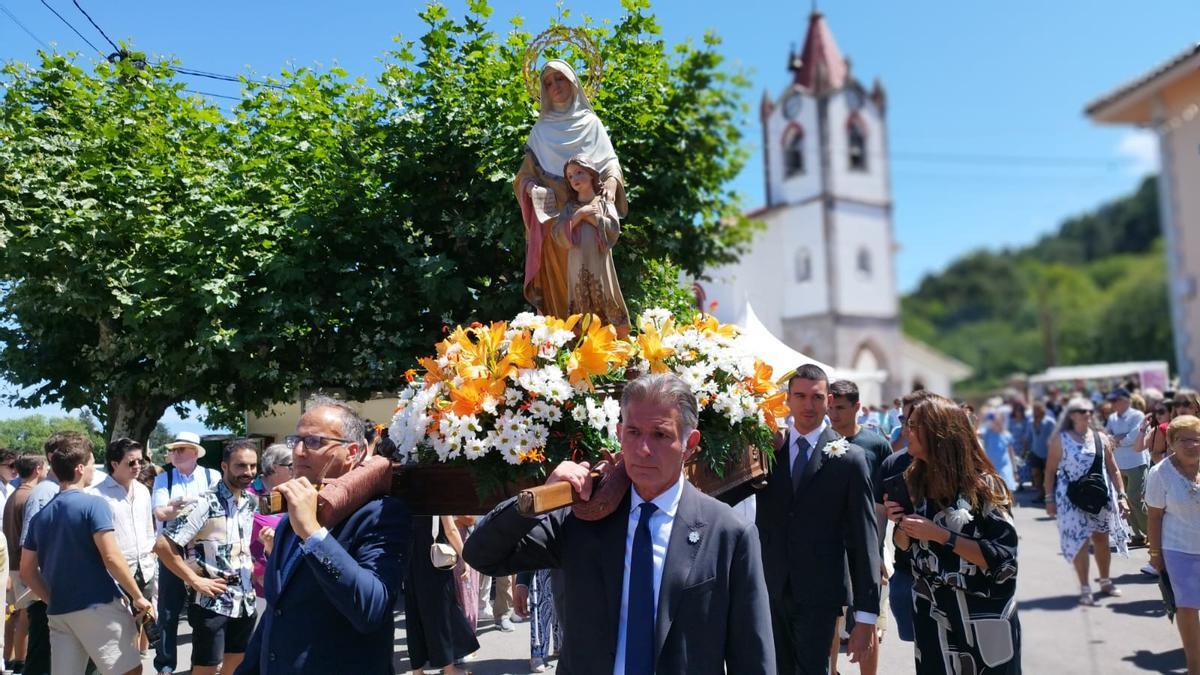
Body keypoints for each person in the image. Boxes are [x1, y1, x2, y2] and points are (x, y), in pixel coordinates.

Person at [465, 373, 775, 673]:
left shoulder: (728, 533)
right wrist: (538, 500)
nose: (643, 449)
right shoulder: (582, 516)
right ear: (618, 433)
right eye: (633, 432)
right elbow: (482, 555)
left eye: (660, 435)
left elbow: (751, 658)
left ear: (690, 443)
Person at [234, 397, 411, 675]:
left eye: (315, 441)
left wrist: (313, 534)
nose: (300, 451)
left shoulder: (381, 514)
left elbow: (372, 608)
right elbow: (275, 613)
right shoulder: (291, 519)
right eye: (297, 440)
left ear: (351, 452)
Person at [723, 364, 880, 675]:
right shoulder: (766, 452)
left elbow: (864, 539)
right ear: (787, 400)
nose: (808, 405)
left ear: (829, 399)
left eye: (817, 397)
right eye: (800, 396)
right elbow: (724, 496)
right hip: (770, 587)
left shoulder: (850, 459)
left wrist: (866, 616)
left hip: (819, 593)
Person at [884, 396, 1021, 674]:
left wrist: (941, 535)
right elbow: (906, 548)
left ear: (938, 433)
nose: (905, 431)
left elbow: (1004, 559)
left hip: (980, 619)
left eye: (912, 425)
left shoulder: (984, 486)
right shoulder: (916, 480)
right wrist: (903, 526)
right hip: (932, 619)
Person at [19, 432, 153, 675]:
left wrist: (51, 599)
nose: (94, 469)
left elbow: (27, 570)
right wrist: (137, 595)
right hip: (98, 604)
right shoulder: (94, 504)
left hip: (60, 612)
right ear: (80, 468)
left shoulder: (42, 516)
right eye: (92, 463)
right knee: (130, 670)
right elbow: (111, 557)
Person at [515, 59, 627, 319]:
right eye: (548, 82)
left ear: (572, 81)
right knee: (561, 296)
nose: (555, 86)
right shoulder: (540, 132)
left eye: (560, 78)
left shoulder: (591, 123)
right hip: (555, 223)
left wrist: (611, 181)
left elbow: (610, 163)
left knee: (594, 282)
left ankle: (598, 344)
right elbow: (524, 176)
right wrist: (532, 189)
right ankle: (561, 347)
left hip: (589, 216)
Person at [154, 440, 259, 675]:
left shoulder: (250, 502)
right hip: (213, 602)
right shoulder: (204, 503)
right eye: (241, 466)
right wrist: (194, 580)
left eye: (253, 466)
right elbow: (163, 545)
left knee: (236, 664)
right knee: (206, 669)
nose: (249, 472)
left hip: (245, 600)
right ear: (224, 466)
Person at [825, 379, 892, 675]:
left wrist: (875, 552)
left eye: (840, 408)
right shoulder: (820, 442)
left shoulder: (876, 446)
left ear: (857, 408)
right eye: (830, 407)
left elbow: (881, 506)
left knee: (866, 618)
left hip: (864, 546)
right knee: (828, 618)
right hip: (827, 546)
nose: (833, 414)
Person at [1044, 397, 1130, 605]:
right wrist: (1049, 498)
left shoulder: (1101, 438)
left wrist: (1122, 496)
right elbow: (1049, 471)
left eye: (1089, 411)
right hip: (1071, 498)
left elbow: (1114, 469)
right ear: (1071, 415)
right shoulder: (1060, 440)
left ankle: (1106, 581)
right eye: (1081, 410)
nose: (1087, 414)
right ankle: (1084, 587)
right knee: (1080, 541)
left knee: (1101, 539)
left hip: (1098, 495)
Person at [150, 431, 221, 675]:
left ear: (194, 453)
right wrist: (175, 509)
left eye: (181, 449)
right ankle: (165, 666)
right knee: (168, 611)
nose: (175, 453)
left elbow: (217, 510)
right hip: (171, 548)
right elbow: (159, 513)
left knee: (202, 610)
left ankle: (199, 665)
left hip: (204, 548)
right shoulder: (164, 478)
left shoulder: (213, 476)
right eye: (174, 449)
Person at [875, 390, 936, 648]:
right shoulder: (892, 464)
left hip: (952, 574)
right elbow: (879, 514)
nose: (906, 428)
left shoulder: (957, 466)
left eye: (914, 420)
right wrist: (877, 553)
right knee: (924, 650)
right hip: (908, 571)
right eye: (903, 420)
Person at [549, 154, 631, 333]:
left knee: (602, 293)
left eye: (579, 172)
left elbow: (613, 228)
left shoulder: (603, 201)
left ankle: (610, 336)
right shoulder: (570, 208)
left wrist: (593, 218)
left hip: (599, 260)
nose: (575, 179)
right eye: (570, 176)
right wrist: (578, 215)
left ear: (592, 174)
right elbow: (557, 233)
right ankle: (581, 340)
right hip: (577, 261)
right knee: (580, 298)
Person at [1146, 415, 1200, 675]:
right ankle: (1194, 667)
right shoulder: (1160, 474)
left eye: (1197, 439)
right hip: (1179, 551)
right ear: (1171, 442)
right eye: (1184, 440)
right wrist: (1155, 554)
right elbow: (1154, 516)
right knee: (1188, 609)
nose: (1192, 445)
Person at [21, 432, 77, 675]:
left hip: (56, 587)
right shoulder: (45, 492)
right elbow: (29, 543)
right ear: (53, 457)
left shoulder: (57, 489)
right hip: (47, 587)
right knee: (42, 655)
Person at [95, 439, 157, 655]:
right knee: (116, 633)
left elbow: (149, 529)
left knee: (139, 627)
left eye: (141, 461)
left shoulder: (142, 490)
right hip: (115, 573)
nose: (138, 466)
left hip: (145, 569)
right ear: (114, 464)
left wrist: (151, 558)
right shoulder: (97, 495)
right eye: (131, 462)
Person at [405, 515, 478, 675]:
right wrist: (465, 558)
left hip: (410, 563)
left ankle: (417, 671)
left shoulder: (406, 496)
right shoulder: (437, 498)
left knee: (414, 615)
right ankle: (449, 669)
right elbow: (450, 530)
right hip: (434, 562)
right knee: (442, 616)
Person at [4, 454, 46, 675]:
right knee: (26, 615)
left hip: (12, 563)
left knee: (14, 614)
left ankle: (9, 657)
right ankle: (21, 660)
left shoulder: (14, 494)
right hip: (23, 564)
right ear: (38, 469)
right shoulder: (29, 496)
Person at [1106, 387, 1149, 547]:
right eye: (1111, 401)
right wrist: (1118, 438)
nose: (1112, 404)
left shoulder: (1137, 415)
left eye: (1115, 400)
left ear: (1125, 400)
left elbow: (1134, 437)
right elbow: (1108, 436)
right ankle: (1137, 534)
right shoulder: (1112, 418)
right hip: (1119, 464)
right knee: (1125, 501)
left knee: (1135, 499)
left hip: (1136, 463)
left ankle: (1151, 532)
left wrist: (1118, 440)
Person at [249, 443, 292, 597]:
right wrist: (257, 568)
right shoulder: (249, 496)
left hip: (290, 573)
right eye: (291, 465)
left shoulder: (292, 492)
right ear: (274, 467)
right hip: (260, 581)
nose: (296, 469)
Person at [514, 569, 563, 673]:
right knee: (541, 604)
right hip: (542, 563)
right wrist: (522, 582)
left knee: (563, 604)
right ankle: (538, 652)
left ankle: (561, 645)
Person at [1026, 401, 1056, 505]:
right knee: (1035, 474)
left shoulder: (1050, 422)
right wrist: (1023, 451)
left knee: (1047, 475)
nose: (1035, 412)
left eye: (1038, 409)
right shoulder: (1030, 422)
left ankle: (1046, 495)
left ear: (1043, 410)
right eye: (1034, 409)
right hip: (1035, 451)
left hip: (1048, 453)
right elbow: (1028, 437)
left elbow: (1056, 436)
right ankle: (1041, 492)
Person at [981, 412, 1018, 492]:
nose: (997, 423)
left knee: (1006, 489)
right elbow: (975, 432)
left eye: (999, 421)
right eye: (995, 421)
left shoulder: (1007, 435)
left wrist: (1015, 470)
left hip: (1005, 467)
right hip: (991, 467)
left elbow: (1011, 453)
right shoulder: (987, 433)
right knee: (993, 490)